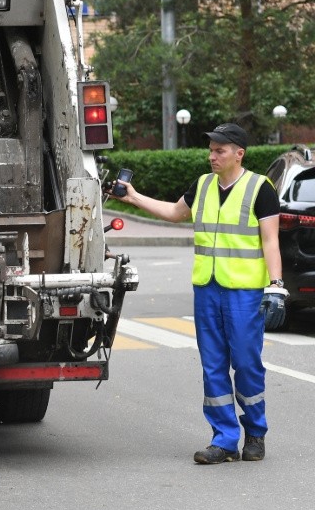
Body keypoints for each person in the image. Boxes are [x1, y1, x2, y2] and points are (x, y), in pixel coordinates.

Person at [110, 123, 285, 464]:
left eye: (220, 150)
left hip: (244, 291)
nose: (212, 155)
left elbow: (270, 241)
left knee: (247, 364)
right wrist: (132, 197)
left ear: (239, 153)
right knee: (213, 366)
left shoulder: (259, 188)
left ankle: (256, 433)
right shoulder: (202, 185)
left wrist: (276, 286)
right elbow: (175, 213)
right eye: (211, 149)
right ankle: (223, 439)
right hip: (207, 289)